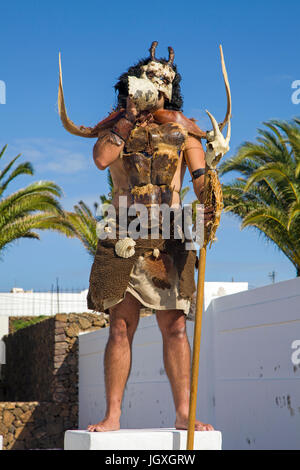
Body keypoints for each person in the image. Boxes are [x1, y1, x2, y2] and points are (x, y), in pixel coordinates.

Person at [58, 41, 230, 432]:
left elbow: (201, 185)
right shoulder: (114, 128)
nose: (161, 84)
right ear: (136, 83)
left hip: (170, 232)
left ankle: (184, 413)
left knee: (176, 327)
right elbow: (101, 158)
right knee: (120, 326)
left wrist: (211, 184)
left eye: (167, 80)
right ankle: (113, 414)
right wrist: (127, 119)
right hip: (122, 230)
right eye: (153, 77)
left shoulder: (184, 131)